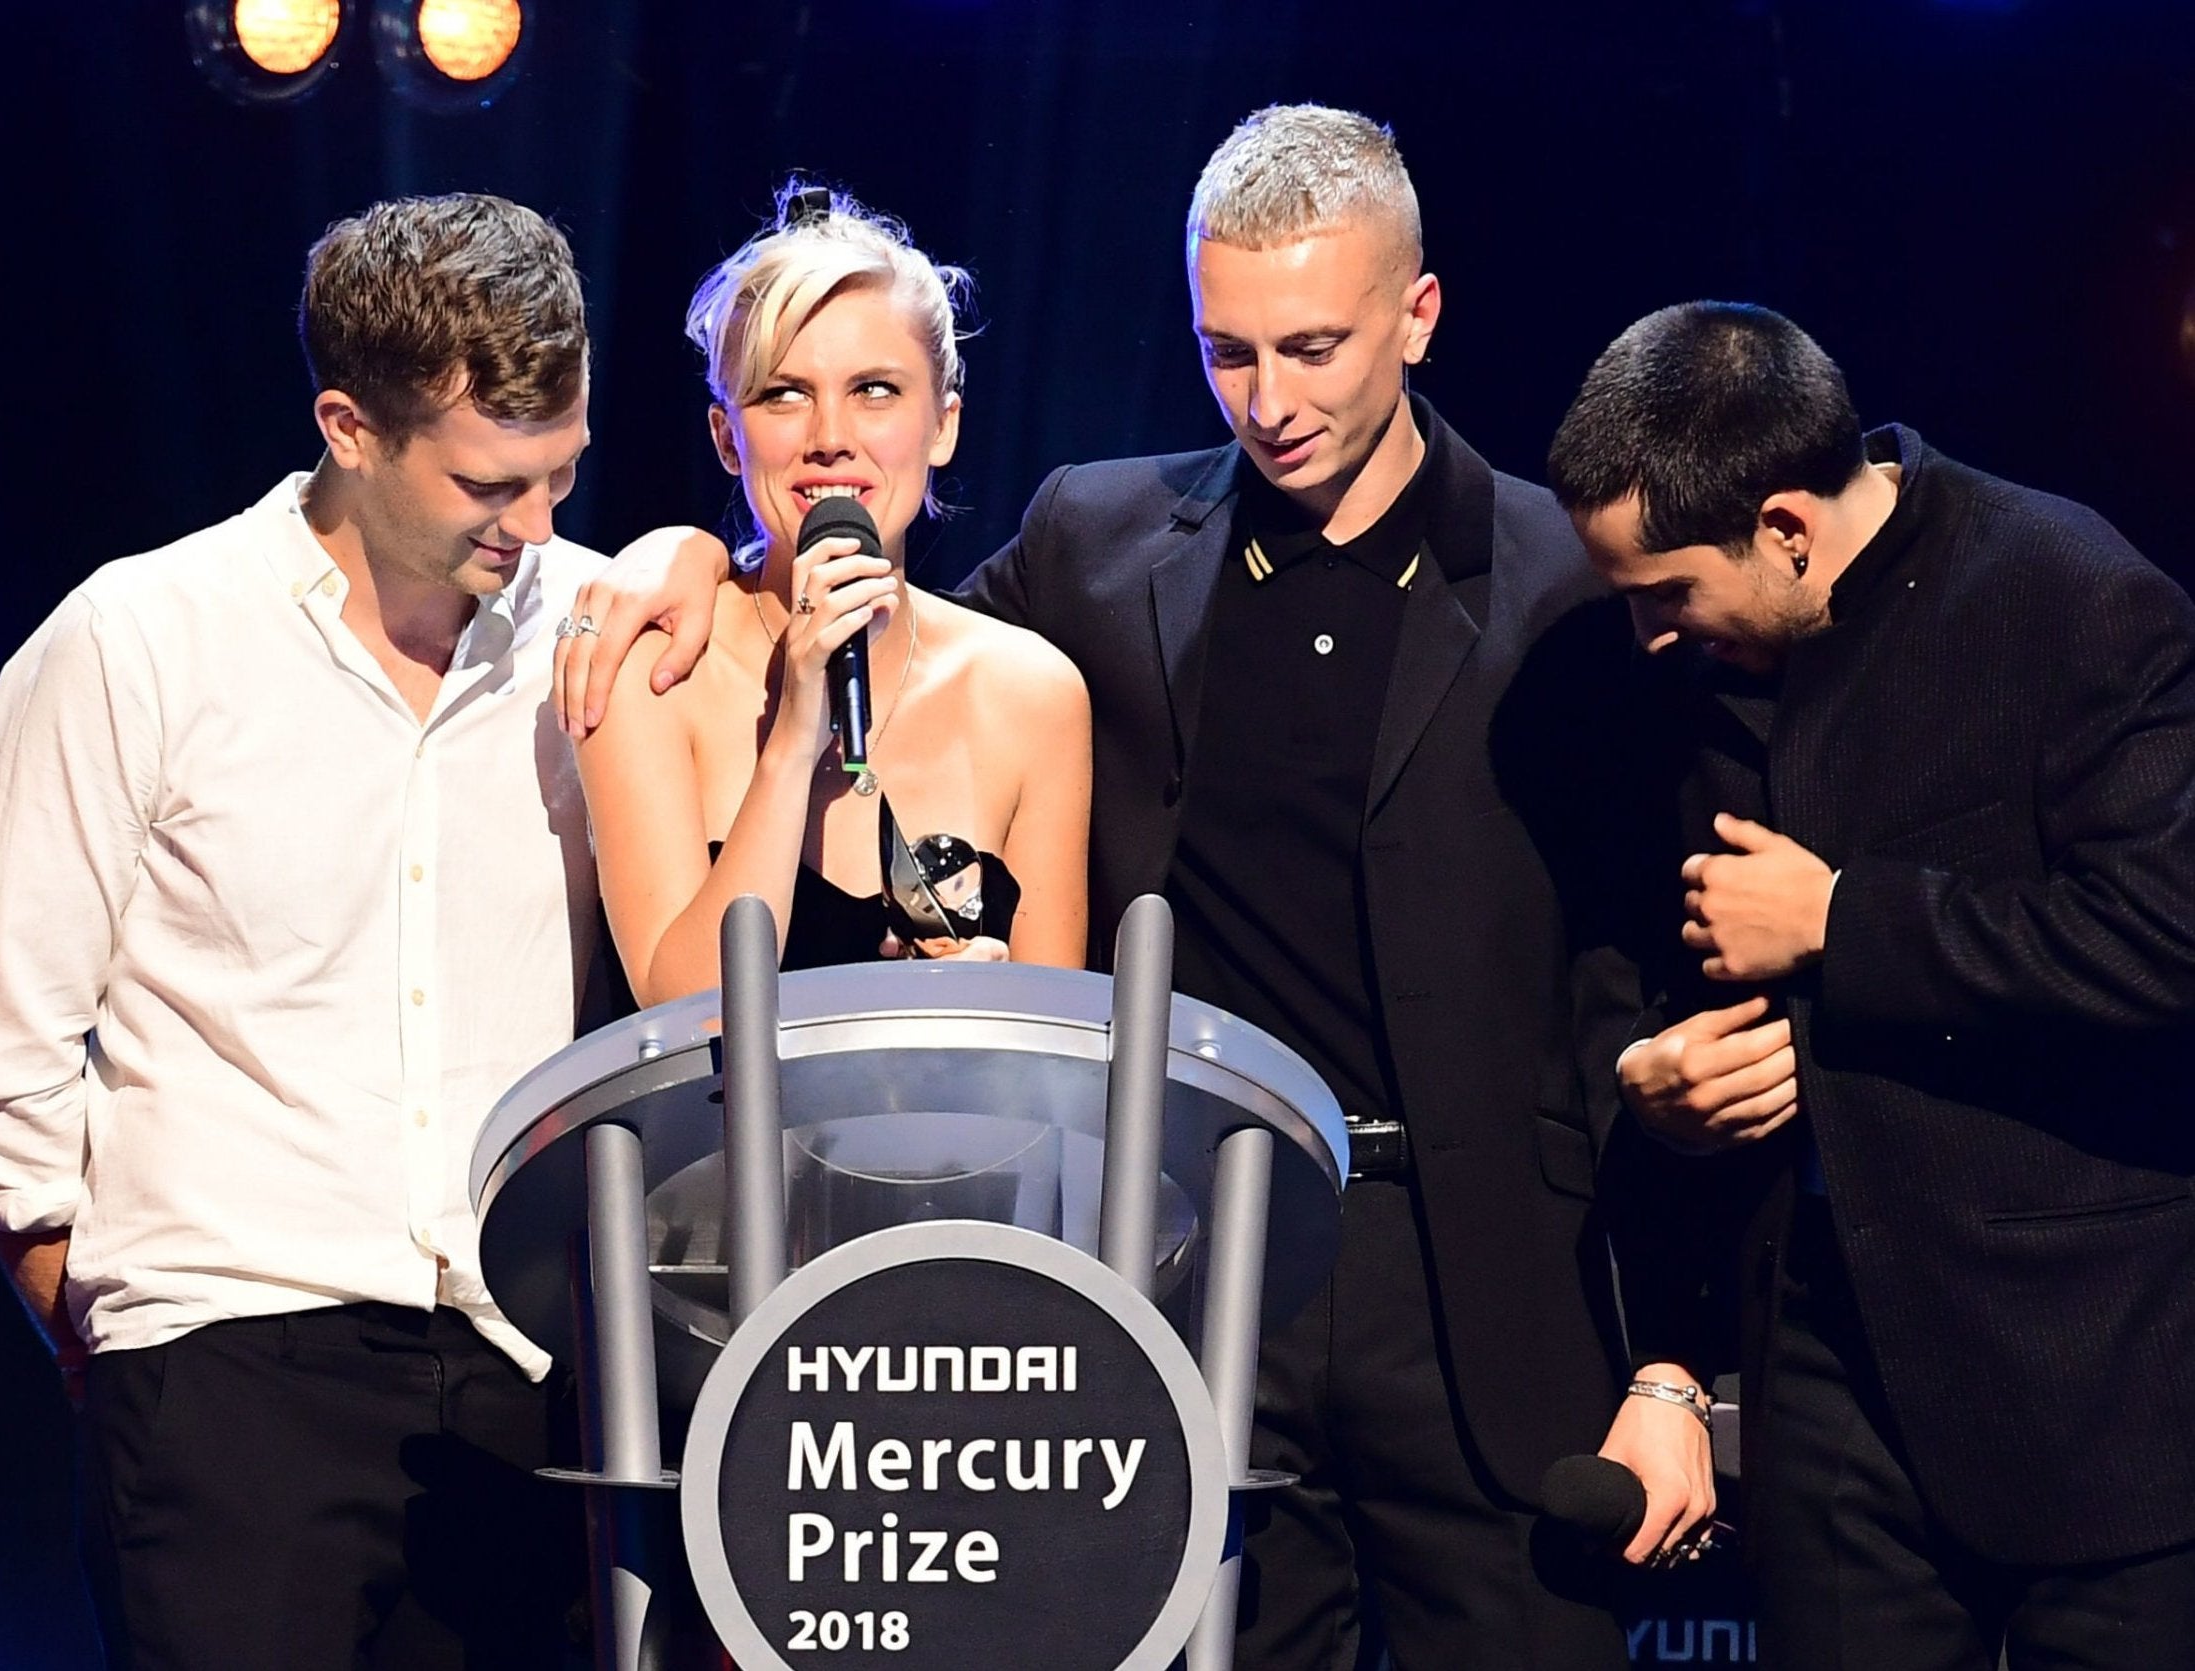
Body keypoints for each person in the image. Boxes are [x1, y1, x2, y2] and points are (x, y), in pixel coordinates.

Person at [562, 108, 1712, 1669]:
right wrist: (681, 556)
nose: (1271, 400)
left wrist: (1681, 1371)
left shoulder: (1560, 582)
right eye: (1228, 352)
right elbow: (868, 627)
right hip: (1201, 1261)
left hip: (1486, 1290)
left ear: (1418, 315)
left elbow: (1661, 979)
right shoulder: (1102, 547)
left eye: (1311, 346)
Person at [0, 193, 603, 1669]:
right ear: (349, 426)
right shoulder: (140, 638)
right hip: (230, 1360)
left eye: (560, 475)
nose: (535, 525)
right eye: (489, 485)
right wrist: (110, 1318)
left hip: (525, 1361)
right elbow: (1, 1043)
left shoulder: (598, 622)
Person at [1550, 300, 2195, 1670]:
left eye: (1669, 591)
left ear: (1785, 524)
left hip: (2090, 1373)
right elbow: (1623, 955)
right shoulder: (1682, 674)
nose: (1651, 635)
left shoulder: (2070, 595)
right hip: (1829, 1362)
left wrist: (1846, 923)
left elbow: (2169, 932)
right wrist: (1654, 1077)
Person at [576, 185, 1090, 1000]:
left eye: (875, 390)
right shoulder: (655, 672)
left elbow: (1059, 1069)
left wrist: (984, 1011)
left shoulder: (1033, 694)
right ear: (727, 439)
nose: (829, 438)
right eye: (783, 393)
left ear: (944, 424)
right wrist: (793, 732)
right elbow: (684, 1015)